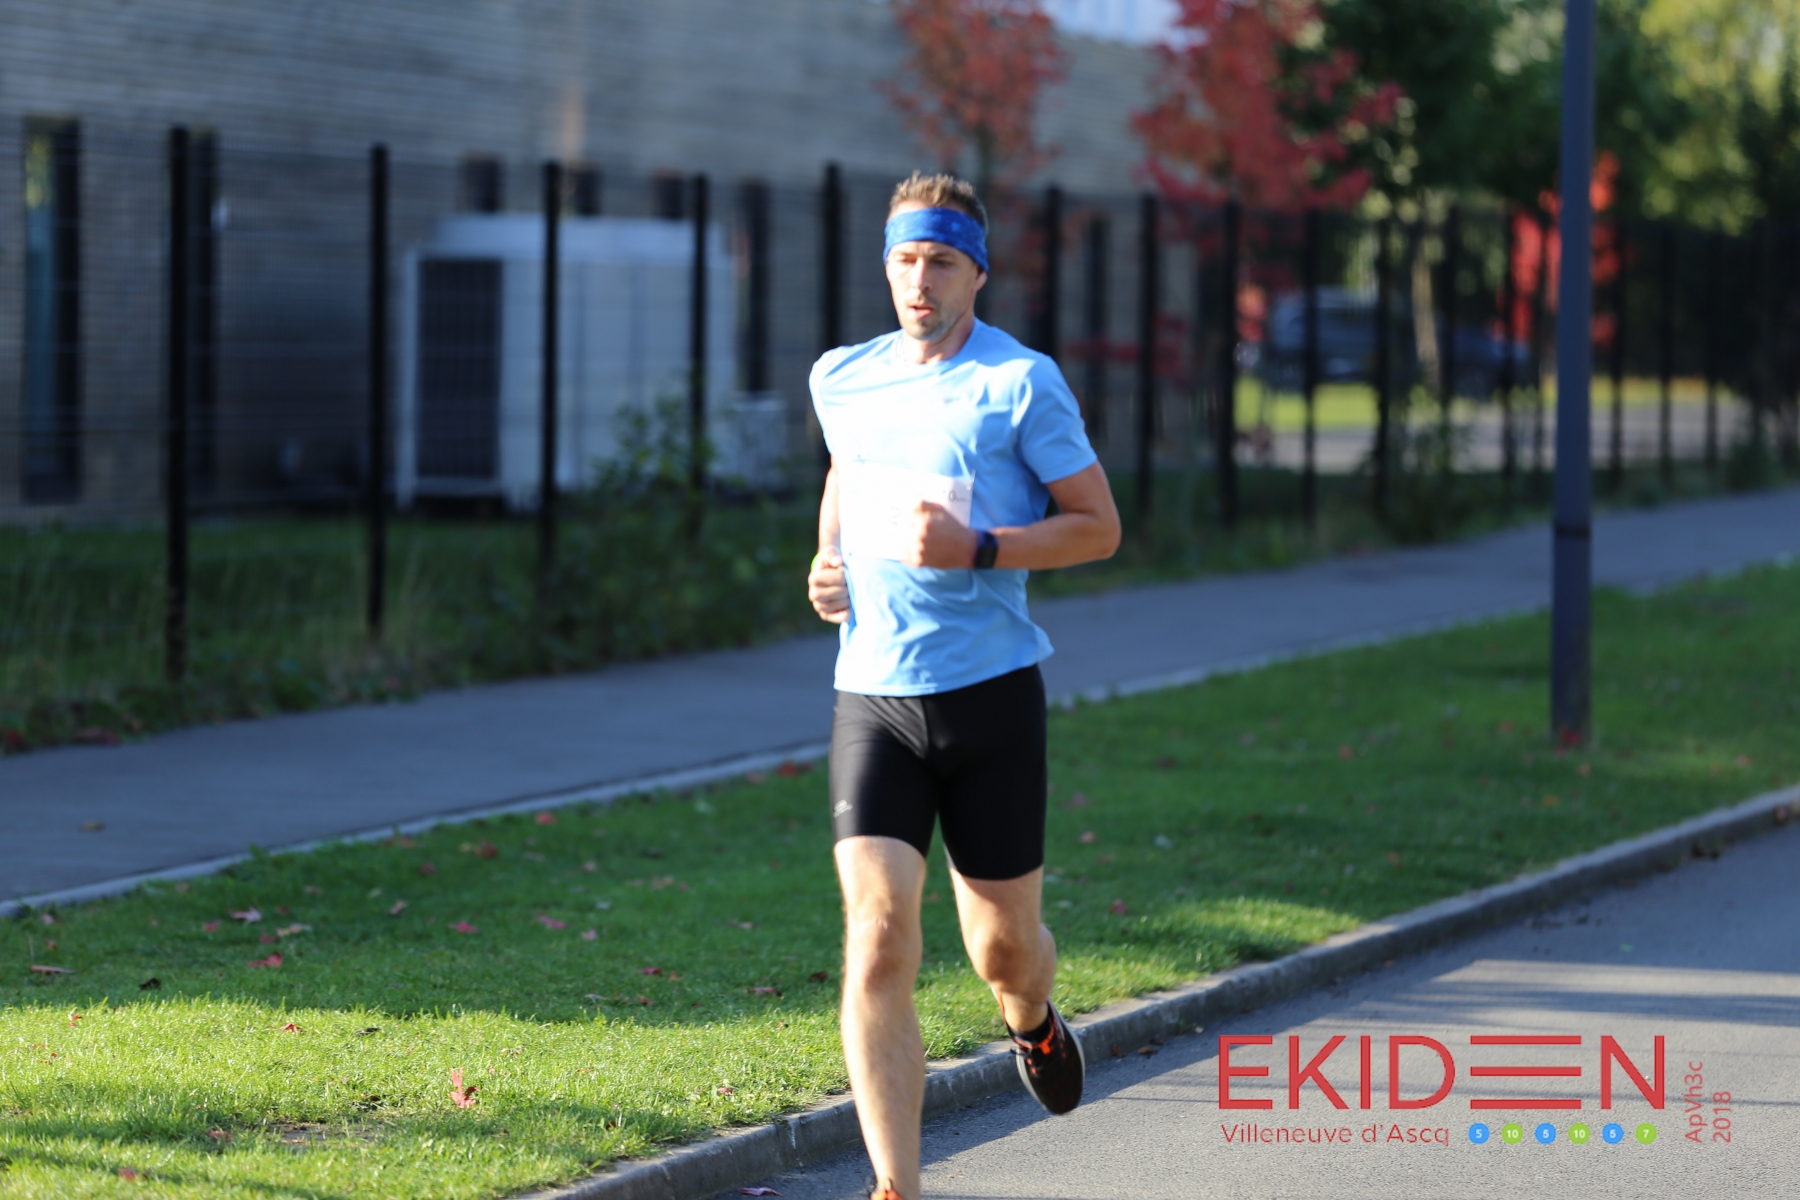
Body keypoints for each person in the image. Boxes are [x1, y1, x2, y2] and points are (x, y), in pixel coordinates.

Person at [806, 171, 1122, 1200]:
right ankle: (897, 1187)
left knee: (1003, 952)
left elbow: (1097, 527)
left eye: (941, 260)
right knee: (877, 935)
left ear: (976, 272)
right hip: (873, 699)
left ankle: (1031, 1018)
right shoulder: (842, 378)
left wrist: (980, 547)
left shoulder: (1020, 383)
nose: (920, 280)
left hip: (989, 698)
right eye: (904, 259)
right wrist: (826, 562)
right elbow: (846, 472)